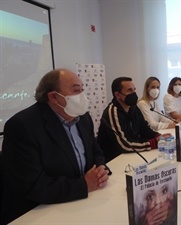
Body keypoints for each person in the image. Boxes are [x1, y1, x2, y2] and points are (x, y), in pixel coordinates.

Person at [0, 69, 110, 225]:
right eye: (76, 90)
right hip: (37, 212)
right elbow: (32, 185)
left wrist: (100, 168)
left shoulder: (83, 117)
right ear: (53, 97)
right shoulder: (22, 126)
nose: (82, 96)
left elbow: (95, 150)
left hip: (80, 204)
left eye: (82, 90)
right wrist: (84, 185)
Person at [97, 77, 171, 163]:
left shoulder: (133, 107)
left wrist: (158, 136)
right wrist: (153, 143)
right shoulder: (112, 112)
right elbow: (124, 145)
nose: (134, 94)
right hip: (115, 160)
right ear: (117, 95)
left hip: (132, 155)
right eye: (129, 90)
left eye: (134, 90)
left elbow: (144, 128)